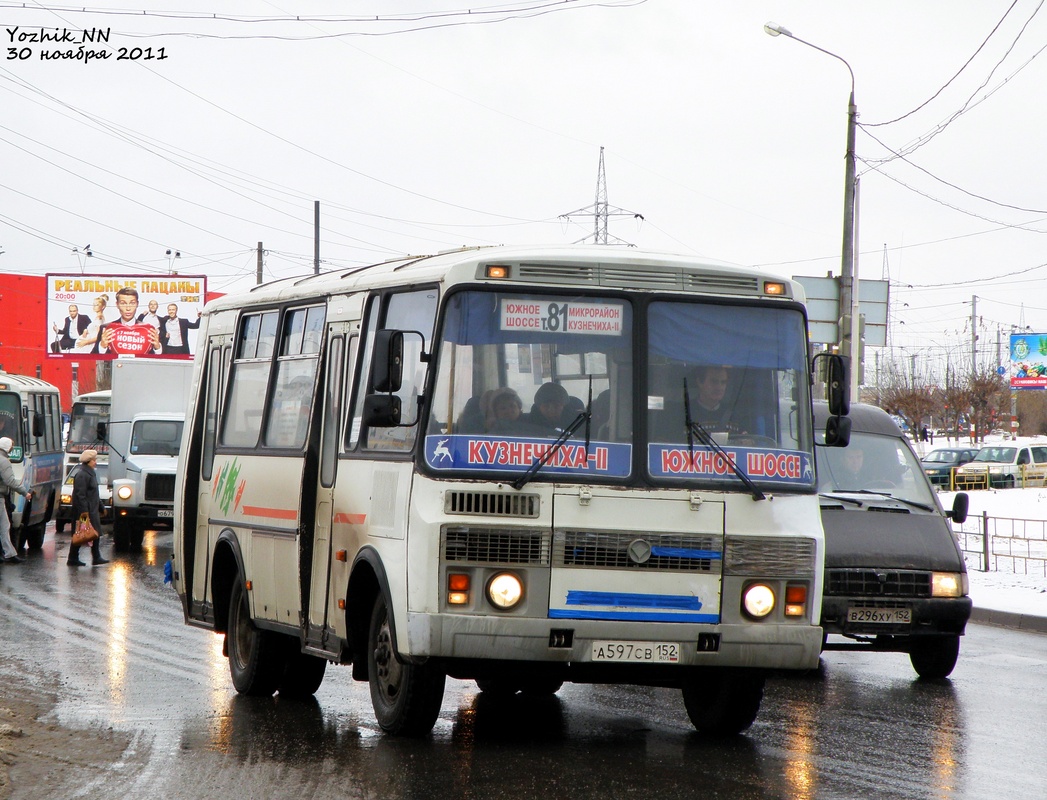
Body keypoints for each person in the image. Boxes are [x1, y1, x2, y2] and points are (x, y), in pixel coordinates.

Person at [67, 449, 108, 567]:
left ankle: (95, 557)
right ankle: (73, 558)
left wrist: (101, 507)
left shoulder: (90, 473)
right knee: (81, 533)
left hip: (92, 510)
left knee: (93, 532)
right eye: (94, 460)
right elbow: (80, 495)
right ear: (88, 461)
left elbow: (95, 493)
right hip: (85, 512)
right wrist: (84, 512)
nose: (95, 462)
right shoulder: (82, 475)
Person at [93, 287, 162, 355]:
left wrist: (157, 349)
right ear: (117, 305)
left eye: (132, 303)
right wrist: (102, 347)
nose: (128, 308)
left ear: (137, 304)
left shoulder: (147, 330)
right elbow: (92, 357)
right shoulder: (106, 328)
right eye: (123, 303)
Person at [0, 436, 31, 564]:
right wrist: (25, 492)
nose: (12, 449)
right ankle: (9, 554)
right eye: (11, 447)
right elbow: (10, 481)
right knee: (4, 526)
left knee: (4, 526)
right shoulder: (4, 461)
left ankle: (9, 553)